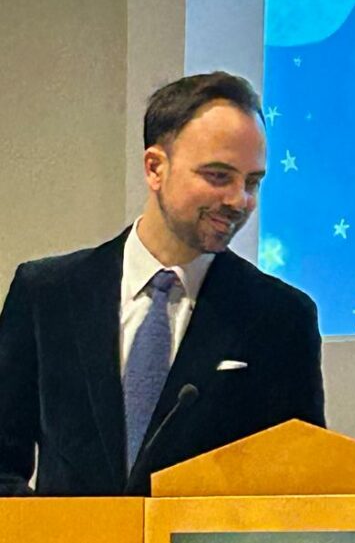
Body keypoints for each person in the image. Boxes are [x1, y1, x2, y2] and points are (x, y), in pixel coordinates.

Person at [0, 71, 324, 496]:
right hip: (62, 539)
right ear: (155, 167)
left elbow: (296, 487)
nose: (239, 200)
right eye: (218, 176)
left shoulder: (282, 317)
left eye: (252, 182)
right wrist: (49, 531)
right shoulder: (46, 294)